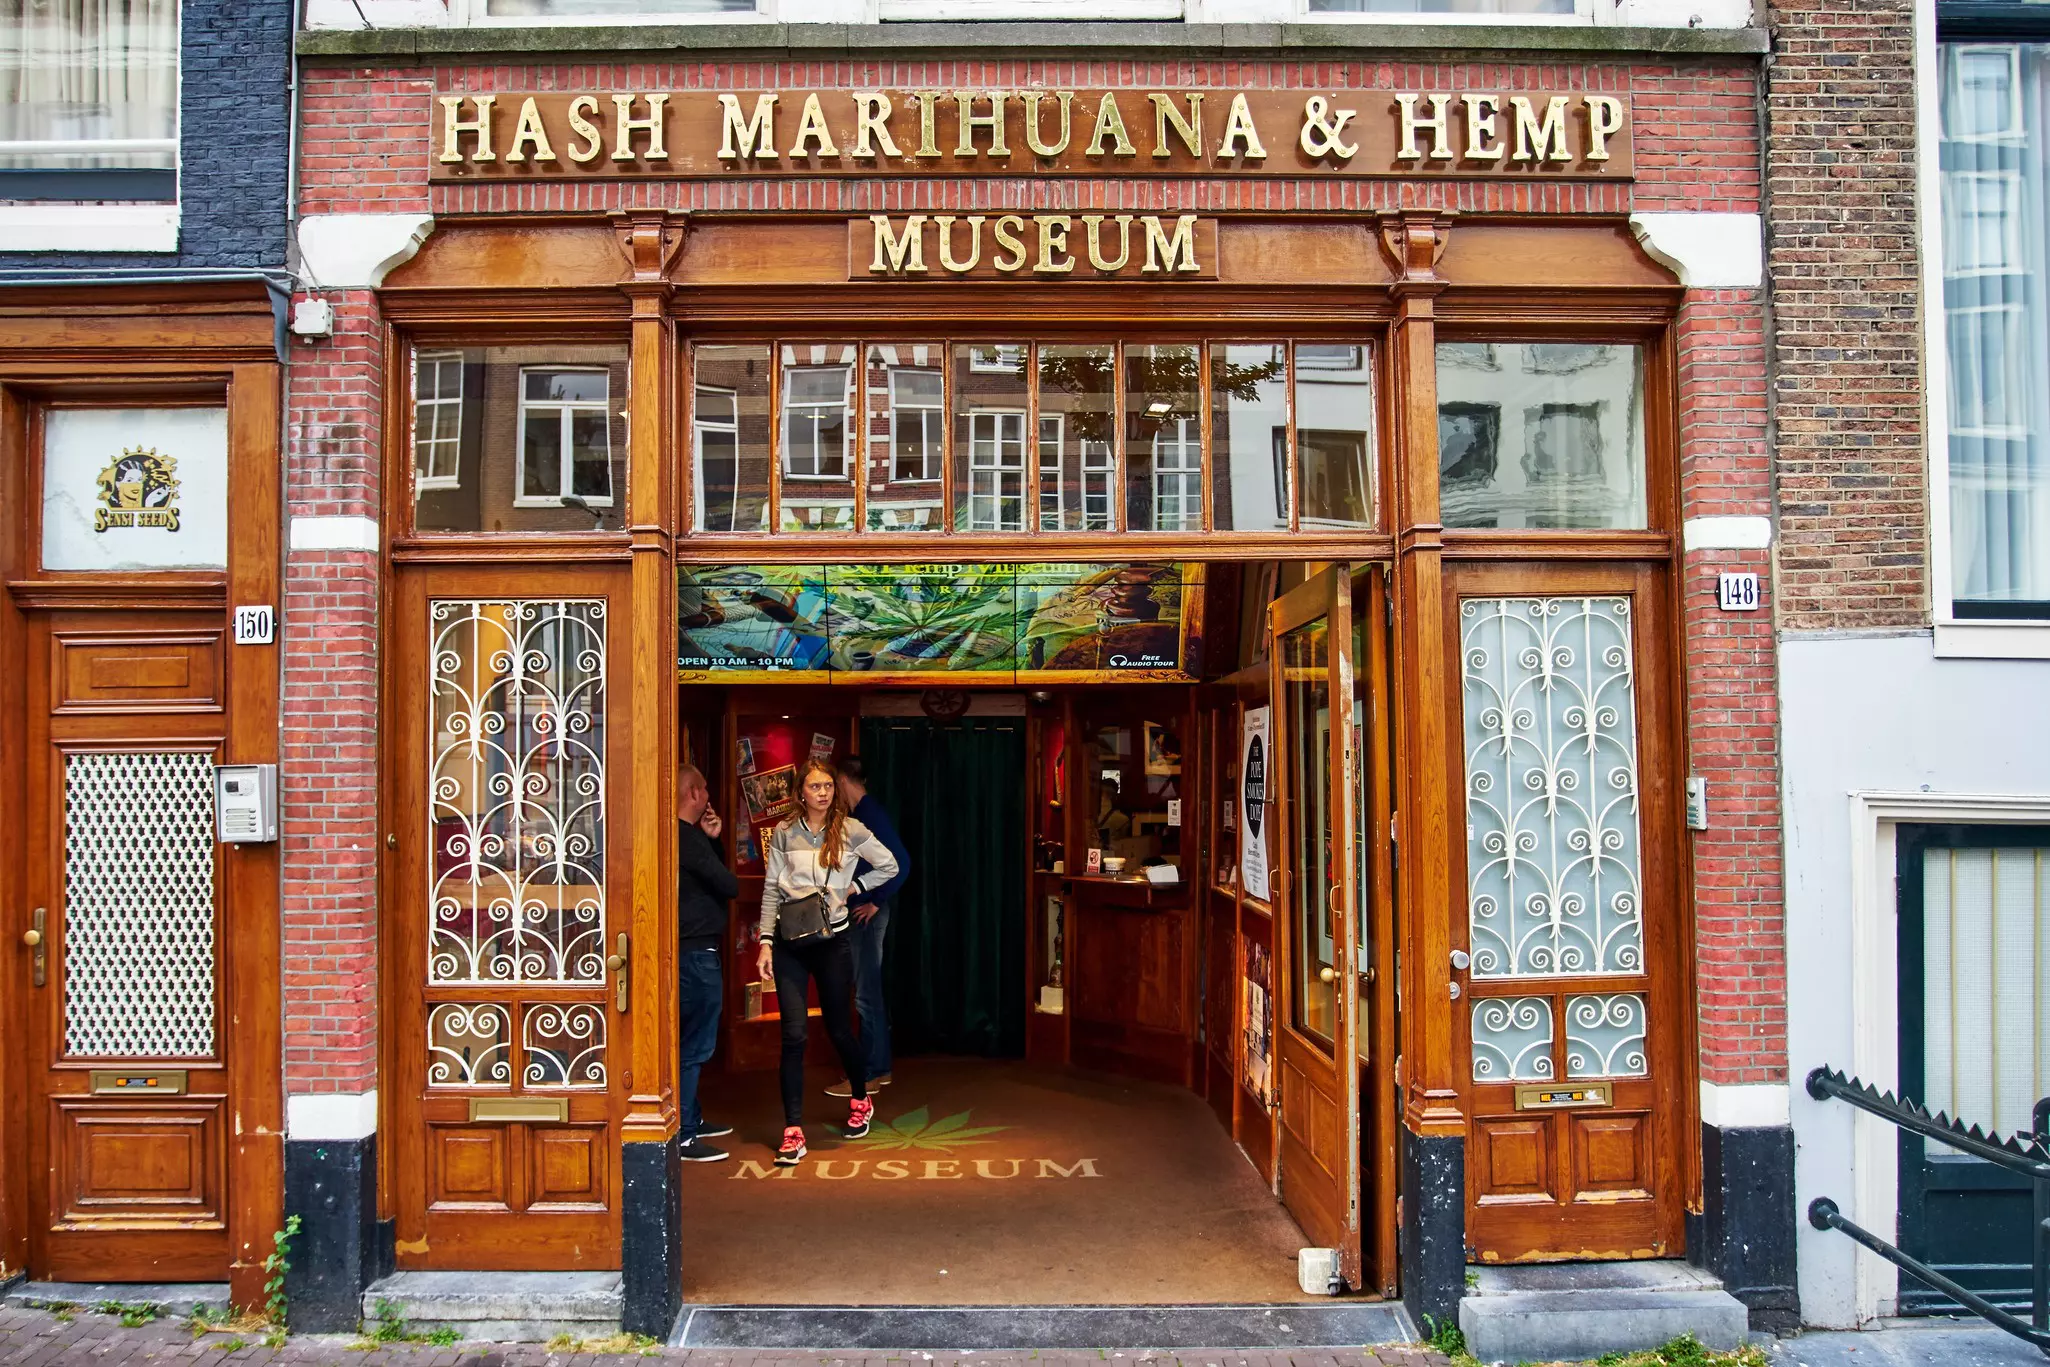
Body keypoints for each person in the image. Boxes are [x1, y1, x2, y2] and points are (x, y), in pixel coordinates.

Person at [757, 760, 900, 1165]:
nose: (822, 792)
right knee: (794, 1035)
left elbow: (889, 864)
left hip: (832, 940)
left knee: (839, 1029)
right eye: (814, 786)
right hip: (789, 943)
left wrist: (854, 888)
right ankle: (793, 1131)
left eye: (827, 786)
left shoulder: (851, 830)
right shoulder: (784, 832)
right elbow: (771, 889)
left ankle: (860, 1098)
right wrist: (765, 943)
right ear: (800, 791)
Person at [826, 756, 909, 1098]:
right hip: (863, 912)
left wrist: (875, 900)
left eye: (832, 785)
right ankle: (879, 1068)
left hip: (866, 915)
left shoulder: (869, 815)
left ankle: (871, 1073)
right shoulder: (862, 814)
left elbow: (901, 863)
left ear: (844, 781)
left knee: (866, 995)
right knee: (868, 993)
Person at [676, 763, 738, 1162]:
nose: (709, 797)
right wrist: (709, 842)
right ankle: (682, 1134)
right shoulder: (688, 839)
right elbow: (729, 884)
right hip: (696, 955)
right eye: (705, 790)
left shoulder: (685, 838)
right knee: (694, 1046)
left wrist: (712, 839)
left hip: (686, 952)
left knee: (688, 1042)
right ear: (695, 793)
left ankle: (691, 1120)